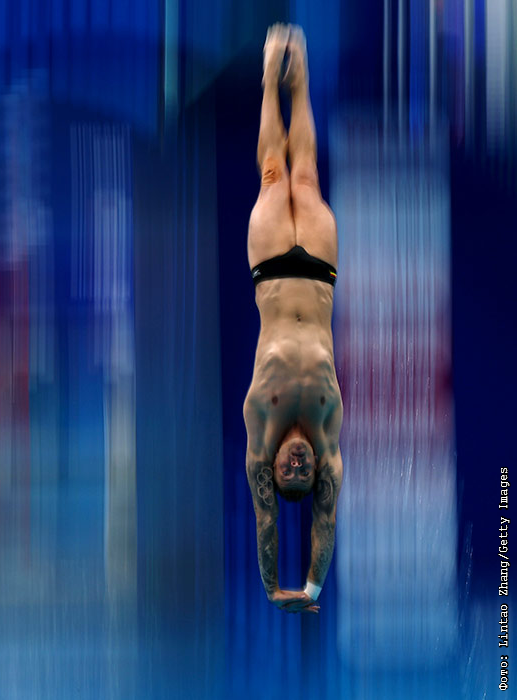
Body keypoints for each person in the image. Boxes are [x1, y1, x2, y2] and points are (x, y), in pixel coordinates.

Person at [244, 24, 344, 614]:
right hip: (321, 273)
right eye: (307, 474)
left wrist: (272, 586)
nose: (300, 464)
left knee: (274, 173)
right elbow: (324, 521)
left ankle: (267, 78)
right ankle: (299, 74)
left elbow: (265, 520)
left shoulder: (262, 429)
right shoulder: (328, 437)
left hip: (273, 271)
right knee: (305, 174)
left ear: (275, 469)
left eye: (291, 471)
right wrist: (311, 587)